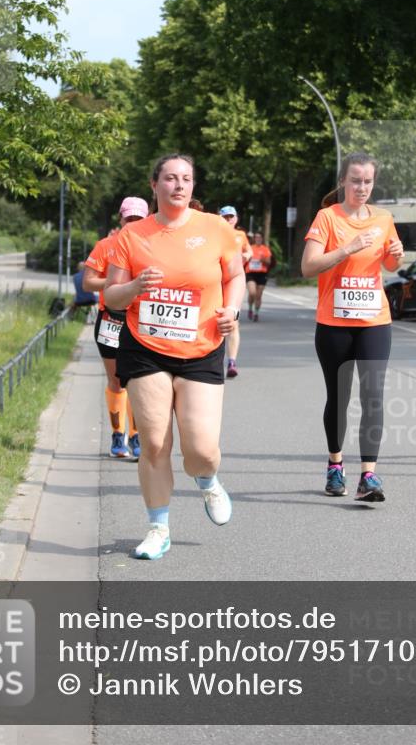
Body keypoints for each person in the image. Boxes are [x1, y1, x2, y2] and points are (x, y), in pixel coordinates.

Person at [104, 154, 245, 560]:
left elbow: (235, 276)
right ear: (154, 185)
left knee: (200, 449)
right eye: (170, 178)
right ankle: (157, 528)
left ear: (193, 186)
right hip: (145, 347)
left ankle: (208, 480)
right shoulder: (131, 237)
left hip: (201, 347)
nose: (178, 185)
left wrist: (232, 311)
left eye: (186, 179)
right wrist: (133, 288)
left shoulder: (216, 228)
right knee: (153, 442)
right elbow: (112, 296)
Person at [301, 152, 405, 503]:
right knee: (339, 397)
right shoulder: (327, 218)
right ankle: (335, 465)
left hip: (375, 320)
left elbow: (388, 264)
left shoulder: (384, 217)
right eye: (356, 180)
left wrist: (396, 254)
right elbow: (308, 266)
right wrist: (347, 248)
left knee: (373, 397)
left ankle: (369, 476)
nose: (362, 187)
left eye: (368, 181)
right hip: (334, 323)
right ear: (343, 181)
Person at [83, 197, 150, 460]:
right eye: (129, 219)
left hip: (142, 320)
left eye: (138, 219)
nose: (132, 224)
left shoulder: (154, 247)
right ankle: (116, 434)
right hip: (111, 319)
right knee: (117, 381)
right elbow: (88, 283)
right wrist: (117, 282)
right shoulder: (106, 246)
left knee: (138, 383)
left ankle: (136, 435)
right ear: (120, 220)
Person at [219, 206, 253, 377]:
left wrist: (245, 257)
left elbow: (249, 251)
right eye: (225, 217)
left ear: (236, 218)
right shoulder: (214, 234)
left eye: (231, 216)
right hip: (215, 284)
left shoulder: (240, 236)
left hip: (233, 283)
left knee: (233, 323)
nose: (228, 219)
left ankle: (231, 361)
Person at [245, 231, 273, 321]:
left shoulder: (265, 249)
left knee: (258, 295)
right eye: (256, 237)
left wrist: (262, 260)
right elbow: (244, 259)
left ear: (262, 239)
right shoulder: (250, 248)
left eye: (259, 237)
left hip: (261, 274)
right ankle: (250, 308)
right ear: (254, 239)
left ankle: (256, 313)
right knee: (252, 293)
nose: (258, 239)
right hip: (251, 273)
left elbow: (269, 262)